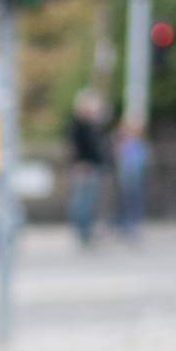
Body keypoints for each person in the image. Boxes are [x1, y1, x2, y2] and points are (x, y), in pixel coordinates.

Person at [67, 88, 107, 246]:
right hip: (84, 166)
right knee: (82, 201)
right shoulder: (78, 125)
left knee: (89, 201)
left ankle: (86, 230)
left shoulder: (91, 125)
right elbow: (76, 146)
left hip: (92, 166)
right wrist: (80, 163)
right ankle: (82, 231)